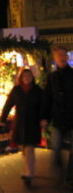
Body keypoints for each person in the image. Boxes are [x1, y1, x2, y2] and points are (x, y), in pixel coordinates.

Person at [0, 68, 43, 188]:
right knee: (24, 148)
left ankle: (28, 174)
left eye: (29, 76)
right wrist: (3, 118)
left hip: (33, 123)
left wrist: (44, 119)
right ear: (21, 78)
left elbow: (43, 106)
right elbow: (8, 104)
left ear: (32, 77)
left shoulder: (37, 90)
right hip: (20, 123)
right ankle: (30, 169)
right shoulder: (16, 90)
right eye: (25, 76)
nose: (27, 78)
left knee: (29, 148)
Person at [41, 46, 73, 188]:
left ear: (67, 57)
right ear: (55, 58)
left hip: (72, 116)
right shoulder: (52, 77)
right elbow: (47, 98)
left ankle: (70, 178)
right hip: (58, 118)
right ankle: (60, 175)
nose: (61, 57)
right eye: (58, 55)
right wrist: (44, 117)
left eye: (63, 54)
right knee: (56, 149)